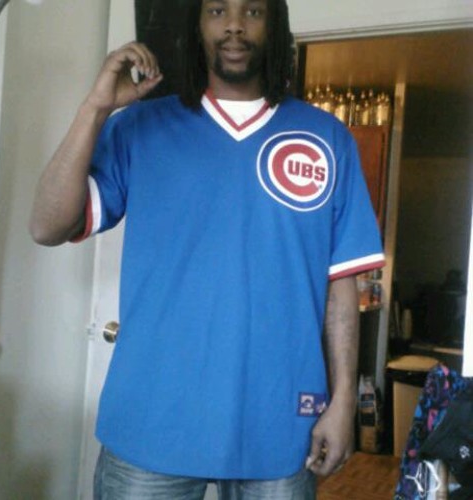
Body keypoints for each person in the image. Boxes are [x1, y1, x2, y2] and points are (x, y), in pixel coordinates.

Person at [30, 0, 385, 498]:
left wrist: (344, 397)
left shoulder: (328, 138)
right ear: (196, 27)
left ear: (275, 27)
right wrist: (96, 109)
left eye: (253, 12)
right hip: (151, 423)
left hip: (279, 427)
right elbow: (46, 226)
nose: (235, 25)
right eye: (217, 10)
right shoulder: (139, 127)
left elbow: (340, 283)